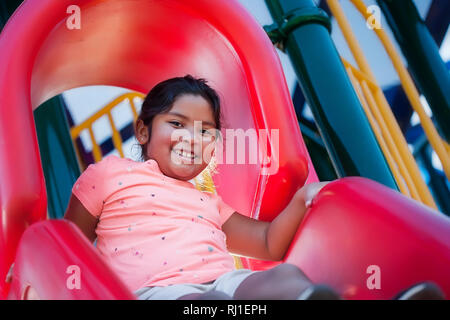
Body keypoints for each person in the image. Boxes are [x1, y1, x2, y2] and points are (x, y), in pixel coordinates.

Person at [64, 75, 445, 300]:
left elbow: (265, 243)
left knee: (282, 278)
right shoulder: (109, 174)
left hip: (224, 285)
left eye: (205, 131)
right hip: (156, 293)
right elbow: (70, 241)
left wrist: (299, 201)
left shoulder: (206, 201)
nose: (191, 138)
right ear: (144, 131)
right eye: (177, 124)